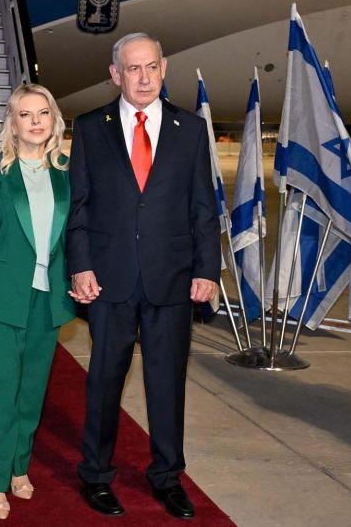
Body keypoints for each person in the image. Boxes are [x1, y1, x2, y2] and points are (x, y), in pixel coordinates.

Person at [66, 33, 220, 519]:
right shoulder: (91, 128)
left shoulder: (191, 130)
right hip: (108, 280)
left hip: (172, 279)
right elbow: (79, 207)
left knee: (167, 383)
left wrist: (207, 269)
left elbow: (203, 207)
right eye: (133, 69)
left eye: (151, 67)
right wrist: (80, 264)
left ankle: (168, 477)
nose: (144, 77)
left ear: (164, 67)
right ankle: (95, 474)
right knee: (104, 383)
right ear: (115, 74)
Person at [0, 84, 75, 520]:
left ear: (53, 119)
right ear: (12, 121)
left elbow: (75, 231)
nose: (35, 121)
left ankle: (18, 466)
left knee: (31, 391)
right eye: (25, 114)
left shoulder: (66, 168)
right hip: (0, 297)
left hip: (48, 298)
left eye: (42, 113)